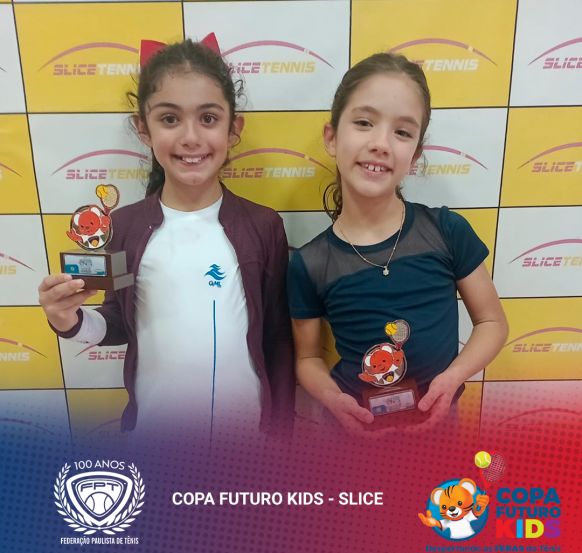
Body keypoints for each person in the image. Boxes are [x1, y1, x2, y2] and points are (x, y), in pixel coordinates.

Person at [38, 37, 295, 446]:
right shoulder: (124, 226)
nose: (191, 137)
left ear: (234, 129)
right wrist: (69, 320)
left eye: (208, 118)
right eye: (170, 119)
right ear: (144, 128)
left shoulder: (263, 226)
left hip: (248, 444)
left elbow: (278, 337)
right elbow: (118, 322)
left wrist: (281, 435)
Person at [287, 53, 508, 438]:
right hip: (351, 441)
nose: (380, 144)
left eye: (402, 132)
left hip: (438, 439)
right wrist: (332, 398)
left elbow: (492, 323)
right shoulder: (310, 262)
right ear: (332, 138)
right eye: (364, 123)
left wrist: (453, 377)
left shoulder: (446, 231)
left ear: (415, 156)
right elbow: (307, 357)